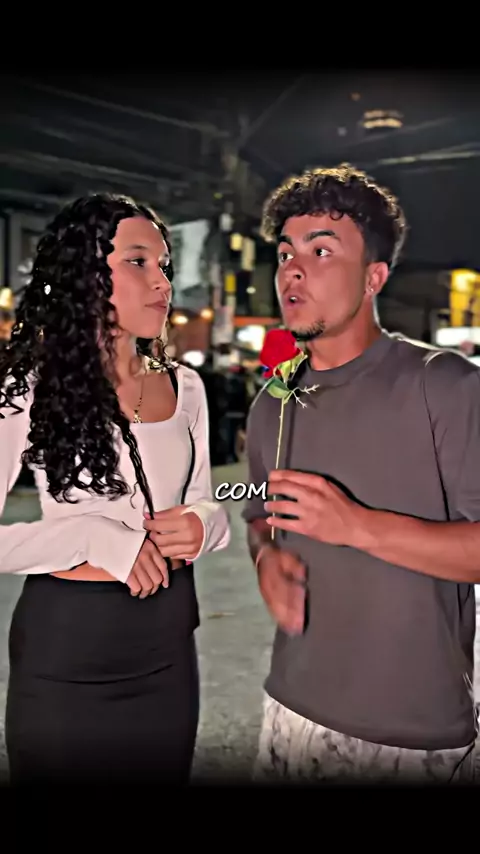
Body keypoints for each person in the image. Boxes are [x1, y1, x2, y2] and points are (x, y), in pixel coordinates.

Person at [243, 163, 480, 786]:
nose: (293, 270)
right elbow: (258, 517)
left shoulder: (444, 386)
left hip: (411, 734)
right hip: (290, 710)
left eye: (322, 251)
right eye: (286, 253)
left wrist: (357, 526)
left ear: (374, 276)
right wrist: (266, 557)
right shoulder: (274, 402)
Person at [0, 193, 230, 786]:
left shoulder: (187, 386)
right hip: (68, 650)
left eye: (164, 266)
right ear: (84, 275)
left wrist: (205, 524)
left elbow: (206, 497)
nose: (162, 283)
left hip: (168, 646)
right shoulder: (26, 388)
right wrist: (92, 537)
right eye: (137, 262)